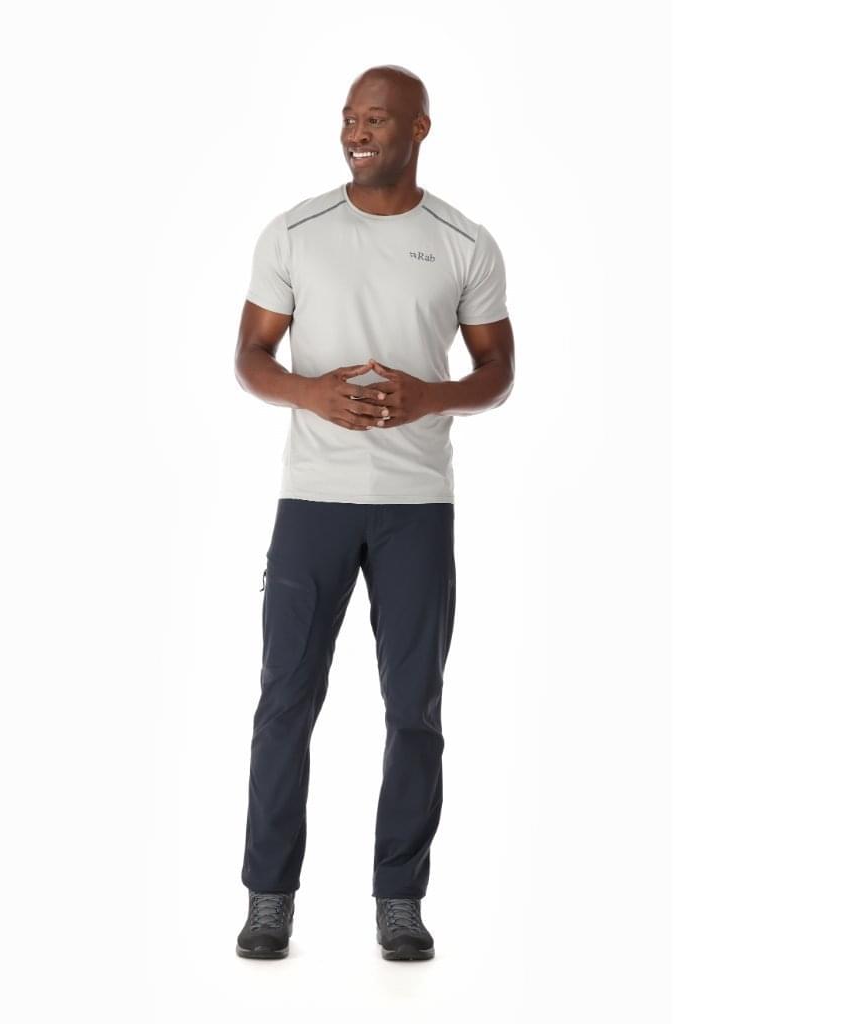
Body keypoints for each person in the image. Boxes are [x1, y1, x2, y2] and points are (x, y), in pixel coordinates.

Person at [233, 64, 515, 961]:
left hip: (415, 506)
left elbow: (497, 372)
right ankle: (269, 897)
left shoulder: (464, 242)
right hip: (312, 500)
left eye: (378, 119)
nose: (358, 132)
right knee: (285, 701)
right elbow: (250, 356)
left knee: (415, 708)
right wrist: (310, 392)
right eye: (351, 117)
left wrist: (432, 398)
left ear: (419, 129)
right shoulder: (295, 231)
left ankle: (400, 898)